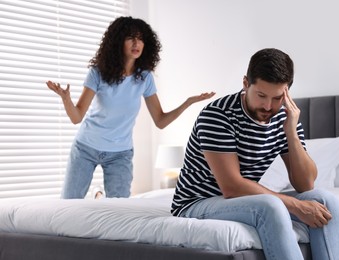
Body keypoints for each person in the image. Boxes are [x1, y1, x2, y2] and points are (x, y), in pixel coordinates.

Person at [171, 48, 339, 259]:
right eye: (261, 95)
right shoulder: (217, 115)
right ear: (246, 83)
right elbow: (232, 187)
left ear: (287, 92)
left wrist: (290, 131)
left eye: (277, 98)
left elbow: (306, 184)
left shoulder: (285, 116)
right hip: (196, 202)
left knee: (326, 201)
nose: (267, 106)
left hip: (239, 201)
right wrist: (296, 206)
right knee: (270, 206)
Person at [46, 16, 215, 199]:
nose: (136, 43)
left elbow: (160, 121)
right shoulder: (98, 73)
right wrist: (66, 99)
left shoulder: (145, 77)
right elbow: (76, 117)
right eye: (130, 38)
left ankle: (98, 196)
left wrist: (187, 103)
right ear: (118, 41)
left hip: (120, 154)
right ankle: (98, 195)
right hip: (86, 147)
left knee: (118, 210)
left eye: (140, 38)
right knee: (69, 203)